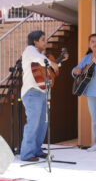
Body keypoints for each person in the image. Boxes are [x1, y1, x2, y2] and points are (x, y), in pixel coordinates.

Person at [20, 30, 68, 161]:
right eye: (43, 39)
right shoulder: (30, 50)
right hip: (32, 92)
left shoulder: (40, 55)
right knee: (33, 123)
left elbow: (49, 71)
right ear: (35, 42)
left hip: (41, 92)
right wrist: (52, 63)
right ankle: (26, 154)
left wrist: (59, 61)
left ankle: (36, 150)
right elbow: (41, 60)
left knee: (42, 124)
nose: (45, 42)